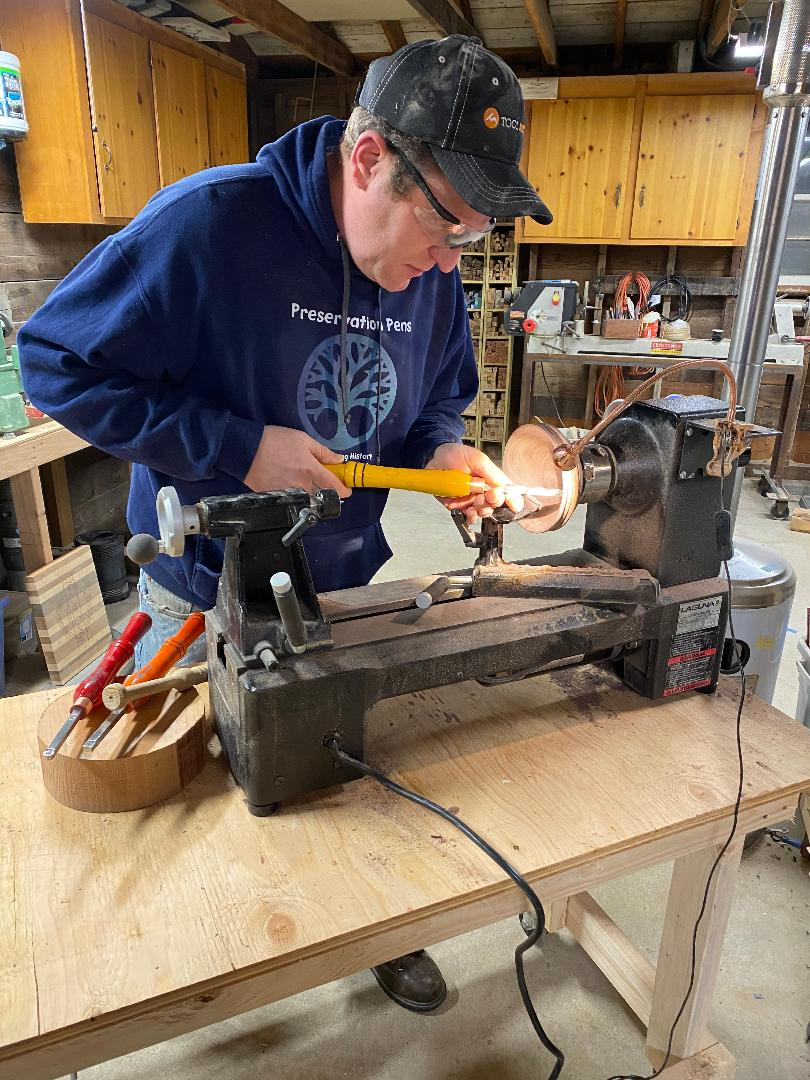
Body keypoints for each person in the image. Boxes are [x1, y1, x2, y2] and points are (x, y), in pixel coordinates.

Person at [19, 34, 551, 1014]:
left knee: (347, 788)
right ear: (366, 160)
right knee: (173, 814)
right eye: (445, 229)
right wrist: (234, 446)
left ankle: (376, 931)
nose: (448, 263)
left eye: (468, 243)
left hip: (339, 591)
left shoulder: (428, 264)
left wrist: (440, 451)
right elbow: (52, 361)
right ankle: (187, 980)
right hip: (195, 588)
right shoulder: (210, 227)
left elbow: (443, 393)